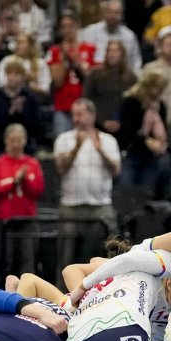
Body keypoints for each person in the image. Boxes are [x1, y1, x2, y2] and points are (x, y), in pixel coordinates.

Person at [54, 98, 121, 270]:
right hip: (71, 206)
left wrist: (100, 150)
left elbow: (116, 170)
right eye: (73, 115)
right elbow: (60, 168)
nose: (76, 119)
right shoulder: (64, 139)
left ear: (92, 115)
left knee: (103, 256)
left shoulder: (108, 140)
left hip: (100, 206)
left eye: (80, 114)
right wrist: (76, 148)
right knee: (66, 257)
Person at [0, 124, 44, 282]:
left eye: (19, 140)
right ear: (6, 140)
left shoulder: (32, 163)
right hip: (4, 220)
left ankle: (27, 293)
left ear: (25, 141)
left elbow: (38, 191)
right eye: (13, 140)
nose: (16, 144)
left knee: (27, 261)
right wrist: (14, 182)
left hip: (27, 219)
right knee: (4, 261)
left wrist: (24, 180)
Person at [118, 70, 171, 202]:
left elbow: (164, 129)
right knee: (126, 192)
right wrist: (146, 141)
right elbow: (126, 131)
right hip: (131, 153)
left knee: (146, 194)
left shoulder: (161, 106)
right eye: (157, 88)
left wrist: (159, 144)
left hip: (151, 157)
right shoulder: (131, 102)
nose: (160, 92)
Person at [46, 17, 95, 138]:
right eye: (64, 27)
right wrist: (64, 58)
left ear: (77, 27)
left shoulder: (90, 49)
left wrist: (77, 62)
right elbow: (57, 82)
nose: (68, 30)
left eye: (71, 26)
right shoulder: (54, 51)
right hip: (62, 106)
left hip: (84, 105)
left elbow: (92, 80)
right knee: (62, 142)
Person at [0, 60, 44, 155]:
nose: (12, 77)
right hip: (1, 144)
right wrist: (10, 112)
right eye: (9, 74)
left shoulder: (30, 97)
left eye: (16, 74)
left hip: (26, 145)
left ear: (22, 77)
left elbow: (37, 126)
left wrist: (22, 112)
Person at [82, 39, 137, 137]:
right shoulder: (94, 74)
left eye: (116, 51)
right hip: (98, 126)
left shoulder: (131, 78)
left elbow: (134, 103)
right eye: (109, 51)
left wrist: (121, 122)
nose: (112, 54)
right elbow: (87, 100)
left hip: (124, 129)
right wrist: (101, 121)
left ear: (122, 54)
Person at [80, 0, 143, 73]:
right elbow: (82, 58)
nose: (112, 16)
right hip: (94, 75)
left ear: (122, 15)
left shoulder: (129, 36)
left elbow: (136, 64)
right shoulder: (89, 32)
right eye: (109, 12)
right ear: (104, 13)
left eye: (116, 13)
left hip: (121, 76)